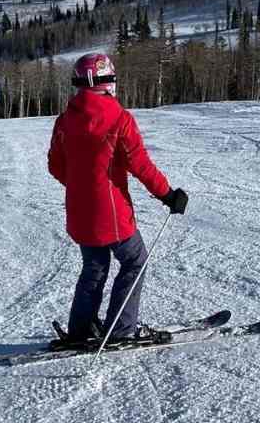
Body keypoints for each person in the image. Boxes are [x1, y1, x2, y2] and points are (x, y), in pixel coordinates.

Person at [47, 52, 188, 346]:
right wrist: (167, 195)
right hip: (111, 216)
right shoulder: (119, 119)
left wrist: (82, 186)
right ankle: (121, 329)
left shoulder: (64, 121)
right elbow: (140, 165)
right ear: (107, 82)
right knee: (135, 261)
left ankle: (80, 329)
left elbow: (56, 166)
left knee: (95, 265)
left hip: (80, 213)